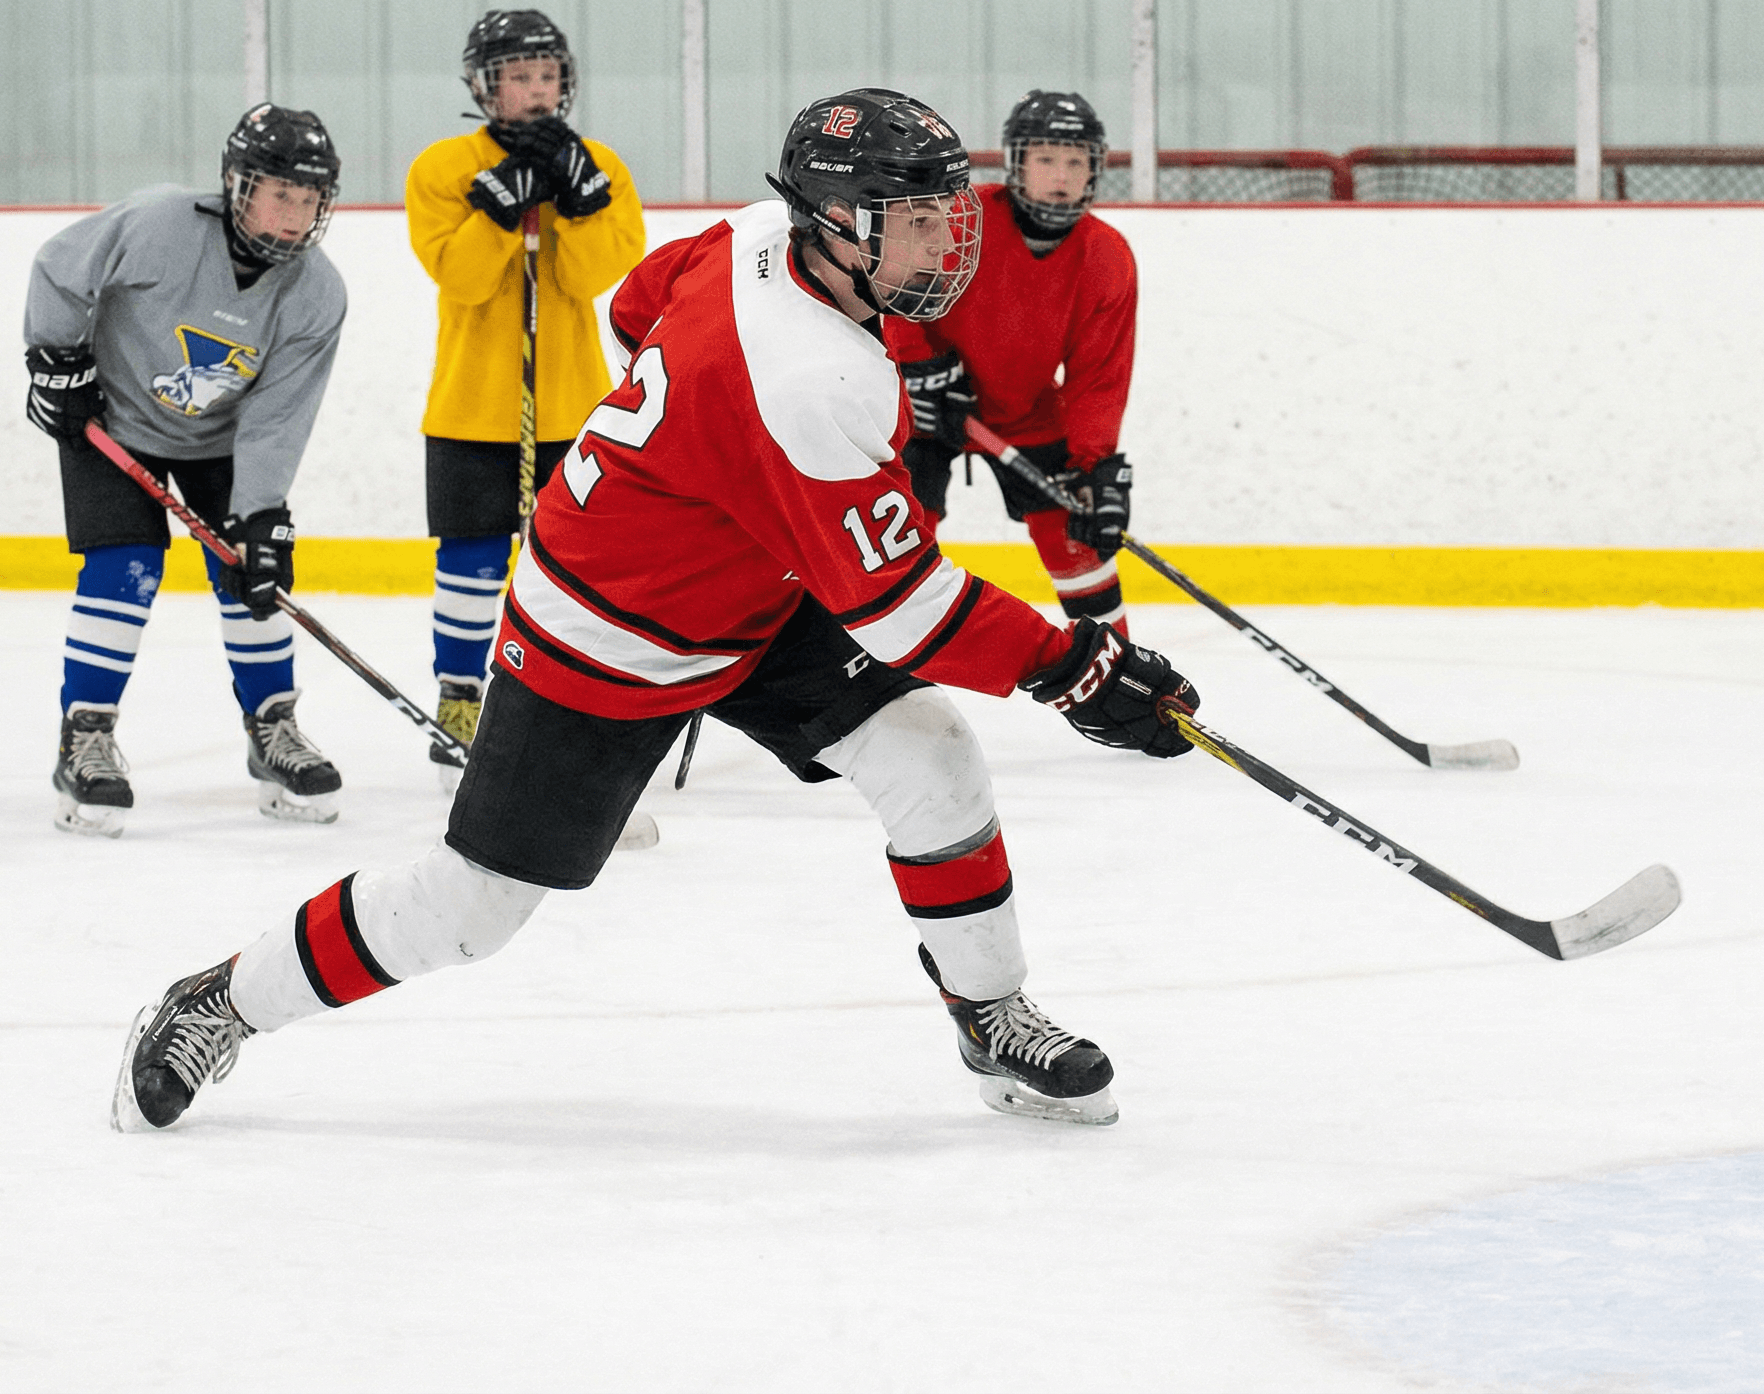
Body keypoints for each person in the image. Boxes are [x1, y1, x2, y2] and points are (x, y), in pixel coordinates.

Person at [111, 88, 1202, 1137]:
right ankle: (221, 1002)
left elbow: (635, 307)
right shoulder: (811, 377)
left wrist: (711, 478)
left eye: (947, 212)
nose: (947, 243)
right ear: (836, 223)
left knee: (930, 752)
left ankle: (989, 1015)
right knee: (469, 911)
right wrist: (1077, 670)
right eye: (915, 221)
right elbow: (903, 608)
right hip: (606, 630)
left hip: (752, 593)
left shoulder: (756, 233)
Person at [23, 103, 349, 836]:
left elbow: (279, 414)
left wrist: (261, 512)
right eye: (280, 193)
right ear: (238, 184)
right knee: (125, 566)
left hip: (223, 445)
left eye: (309, 199)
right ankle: (86, 738)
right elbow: (60, 270)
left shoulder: (316, 292)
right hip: (113, 423)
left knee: (252, 572)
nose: (295, 215)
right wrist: (57, 360)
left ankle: (273, 727)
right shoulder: (158, 225)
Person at [405, 8, 646, 788]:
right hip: (471, 408)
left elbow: (588, 278)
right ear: (485, 87)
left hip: (575, 410)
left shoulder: (600, 164)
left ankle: (567, 702)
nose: (537, 90)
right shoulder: (443, 168)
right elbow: (466, 280)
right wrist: (496, 212)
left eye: (547, 75)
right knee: (470, 565)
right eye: (519, 77)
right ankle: (460, 699)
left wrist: (579, 203)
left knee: (575, 569)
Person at [881, 90, 1138, 629]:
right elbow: (896, 282)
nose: (1061, 175)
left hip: (1025, 414)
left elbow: (1098, 378)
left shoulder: (1106, 256)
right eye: (1045, 159)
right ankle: (870, 659)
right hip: (924, 408)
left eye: (1076, 162)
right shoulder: (962, 217)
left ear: (1095, 170)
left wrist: (1094, 466)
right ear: (1017, 162)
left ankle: (1116, 665)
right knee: (897, 538)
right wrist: (918, 366)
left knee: (1078, 540)